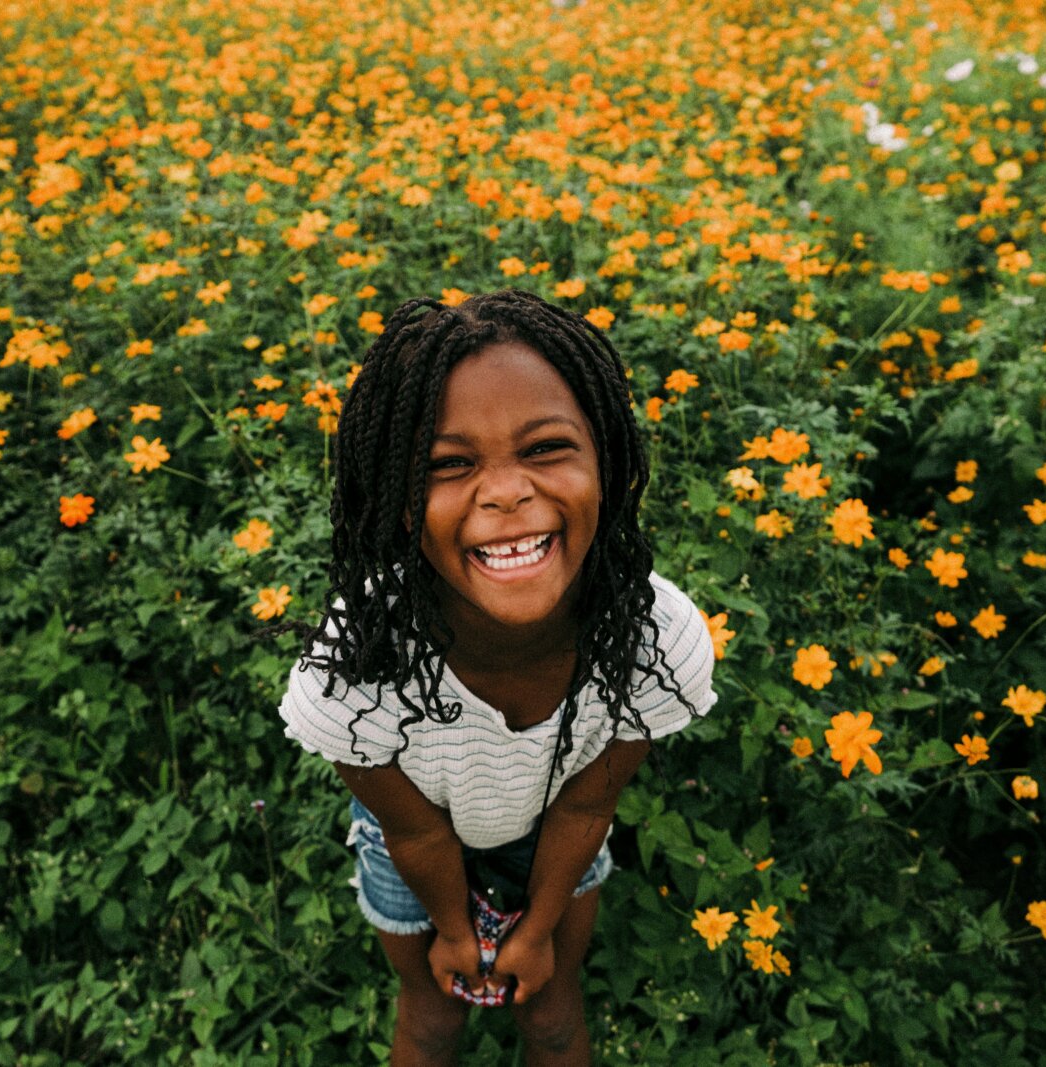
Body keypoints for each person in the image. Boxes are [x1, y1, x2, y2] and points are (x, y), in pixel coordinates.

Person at [277, 289, 719, 1066]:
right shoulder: (357, 669)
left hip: (558, 829)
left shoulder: (654, 639)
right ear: (394, 501)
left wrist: (538, 926)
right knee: (430, 1016)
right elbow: (412, 827)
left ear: (607, 459)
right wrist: (454, 929)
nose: (507, 492)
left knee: (552, 1011)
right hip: (408, 844)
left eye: (546, 447)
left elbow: (589, 799)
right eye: (449, 464)